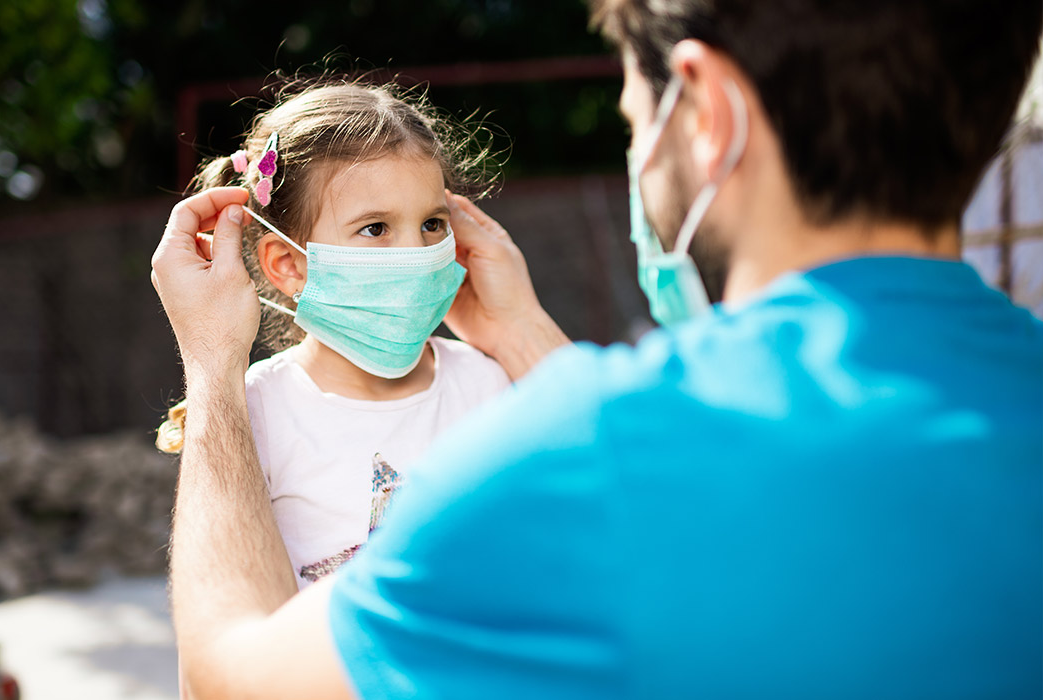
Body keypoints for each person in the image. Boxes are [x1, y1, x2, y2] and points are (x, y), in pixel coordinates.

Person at [150, 1, 1043, 698]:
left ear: (706, 113)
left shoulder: (595, 452)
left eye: (632, 113)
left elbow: (236, 680)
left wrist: (210, 368)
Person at [156, 81, 511, 589]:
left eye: (433, 223)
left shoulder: (487, 383)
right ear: (288, 266)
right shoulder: (250, 416)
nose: (416, 252)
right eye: (375, 228)